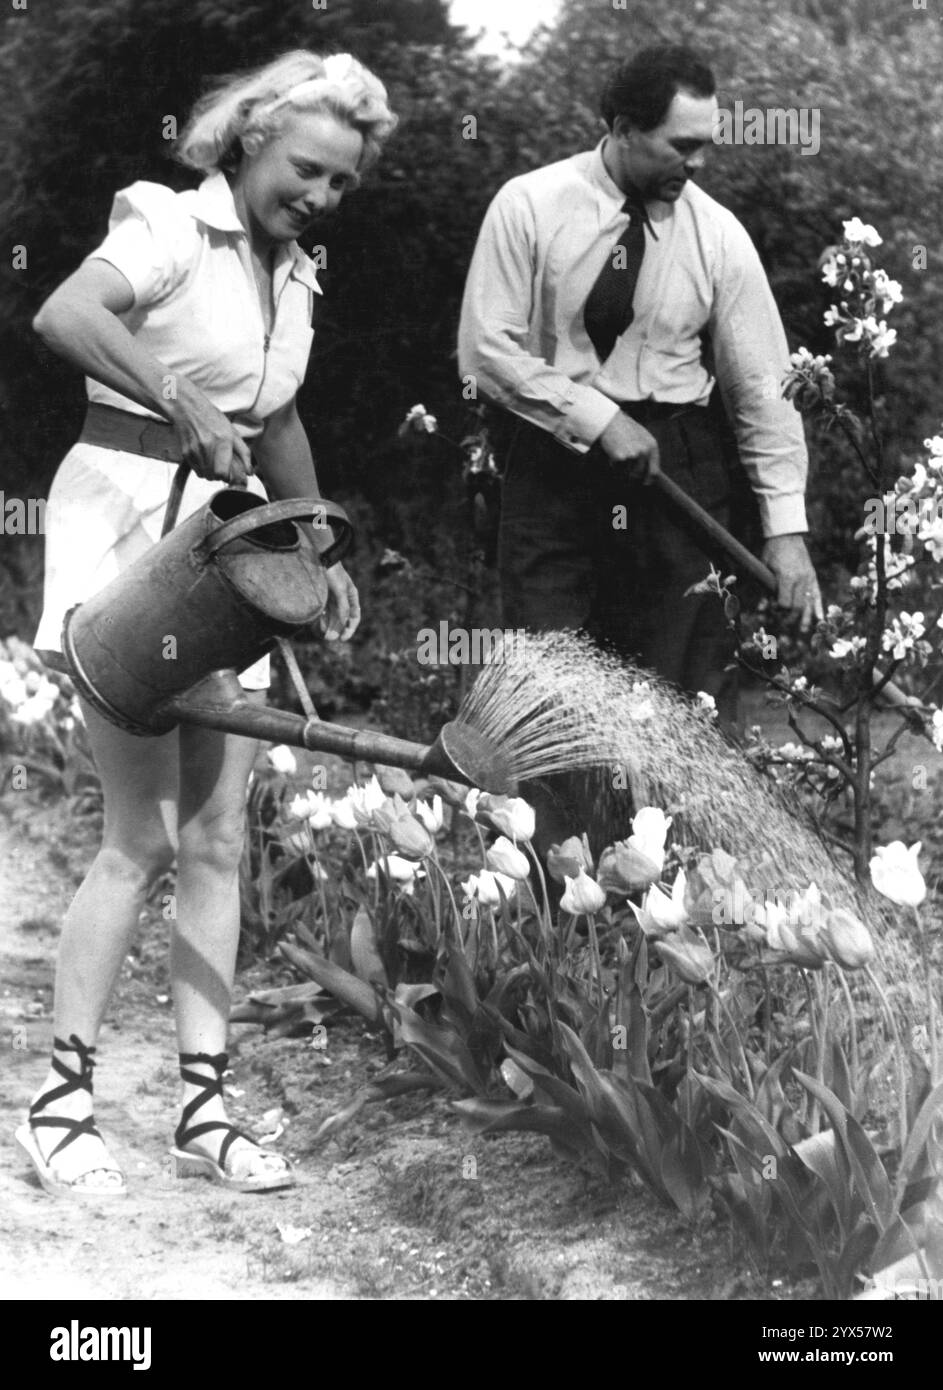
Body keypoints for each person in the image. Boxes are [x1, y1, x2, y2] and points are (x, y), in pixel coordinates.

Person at [16, 50, 397, 1198]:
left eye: (341, 183)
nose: (321, 198)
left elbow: (273, 420)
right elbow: (64, 310)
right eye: (306, 170)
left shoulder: (295, 274)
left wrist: (321, 549)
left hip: (229, 556)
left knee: (220, 834)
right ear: (246, 142)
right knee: (141, 830)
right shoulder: (168, 225)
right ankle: (61, 1104)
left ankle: (202, 1107)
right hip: (130, 533)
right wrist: (173, 396)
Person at [457, 42, 823, 844]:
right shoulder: (529, 205)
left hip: (676, 471)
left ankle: (666, 898)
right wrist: (592, 417)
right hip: (550, 469)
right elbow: (486, 351)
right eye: (678, 145)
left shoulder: (717, 237)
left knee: (671, 691)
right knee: (548, 680)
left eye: (705, 146)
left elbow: (763, 388)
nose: (694, 163)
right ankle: (552, 894)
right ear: (622, 128)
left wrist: (785, 536)